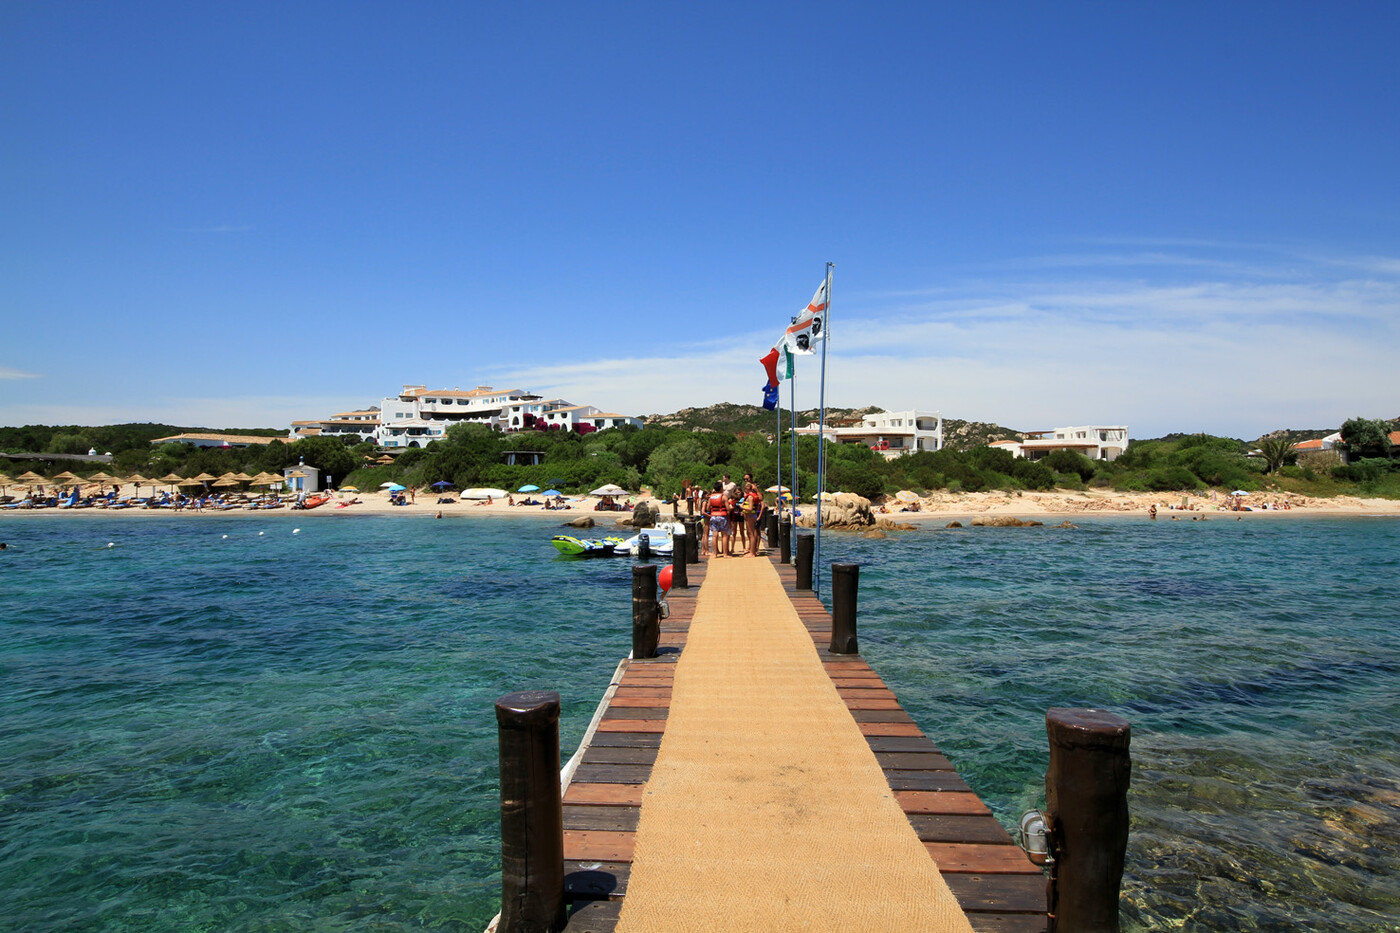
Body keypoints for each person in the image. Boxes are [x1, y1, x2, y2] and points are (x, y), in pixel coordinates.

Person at [706, 481, 729, 557]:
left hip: (713, 517)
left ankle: (715, 554)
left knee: (714, 536)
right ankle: (725, 554)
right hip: (722, 517)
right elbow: (728, 508)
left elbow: (708, 508)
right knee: (724, 535)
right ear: (721, 488)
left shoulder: (711, 497)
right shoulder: (724, 497)